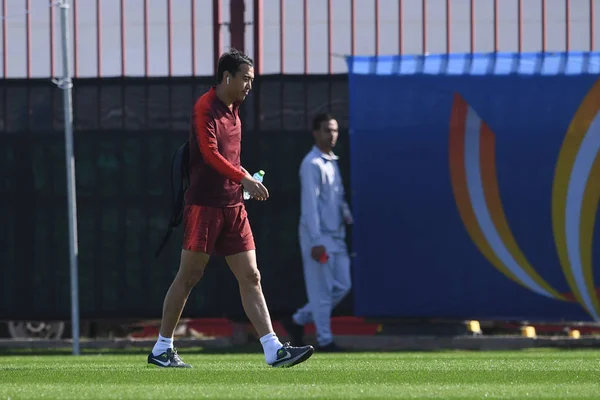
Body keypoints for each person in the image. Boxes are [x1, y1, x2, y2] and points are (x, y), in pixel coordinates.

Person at [147, 49, 314, 368]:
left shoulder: (235, 109)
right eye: (246, 79)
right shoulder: (205, 108)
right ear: (227, 78)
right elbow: (209, 155)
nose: (250, 86)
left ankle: (273, 349)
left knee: (251, 275)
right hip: (204, 206)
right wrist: (244, 179)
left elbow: (230, 159)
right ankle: (161, 349)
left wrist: (245, 178)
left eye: (252, 80)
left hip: (233, 206)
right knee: (189, 276)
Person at [281, 113, 353, 352]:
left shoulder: (331, 161)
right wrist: (315, 240)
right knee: (321, 292)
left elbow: (338, 197)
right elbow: (310, 205)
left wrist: (346, 215)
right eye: (326, 130)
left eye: (334, 130)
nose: (331, 135)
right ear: (315, 133)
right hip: (319, 236)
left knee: (342, 285)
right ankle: (324, 340)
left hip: (337, 235)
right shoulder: (311, 163)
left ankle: (298, 320)